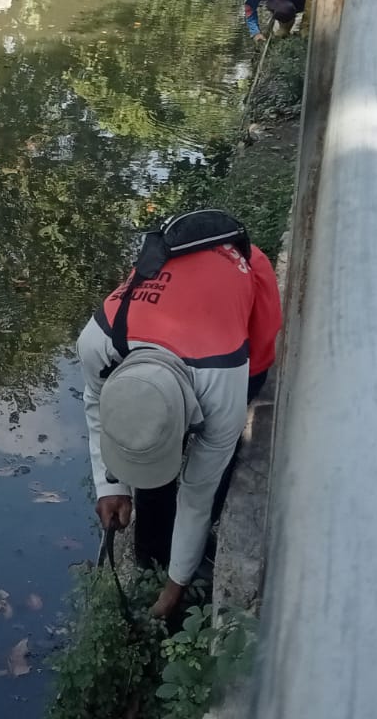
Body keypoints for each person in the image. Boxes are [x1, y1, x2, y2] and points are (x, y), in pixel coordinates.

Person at [79, 209, 283, 618]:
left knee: (214, 470)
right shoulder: (98, 342)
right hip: (170, 305)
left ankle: (183, 559)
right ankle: (152, 554)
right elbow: (94, 405)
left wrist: (176, 589)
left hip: (243, 282)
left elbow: (196, 496)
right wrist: (110, 487)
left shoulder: (224, 383)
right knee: (153, 465)